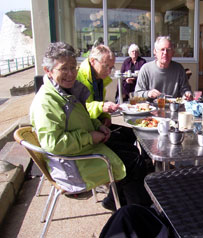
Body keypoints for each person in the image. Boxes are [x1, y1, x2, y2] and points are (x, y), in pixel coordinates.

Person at [31, 42, 151, 211]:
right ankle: (138, 213)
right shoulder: (46, 102)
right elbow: (54, 144)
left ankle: (121, 202)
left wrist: (97, 125)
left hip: (85, 149)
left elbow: (83, 116)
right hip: (73, 165)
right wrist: (90, 137)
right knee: (134, 163)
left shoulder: (66, 91)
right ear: (48, 71)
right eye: (64, 69)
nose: (71, 74)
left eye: (73, 67)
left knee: (131, 151)